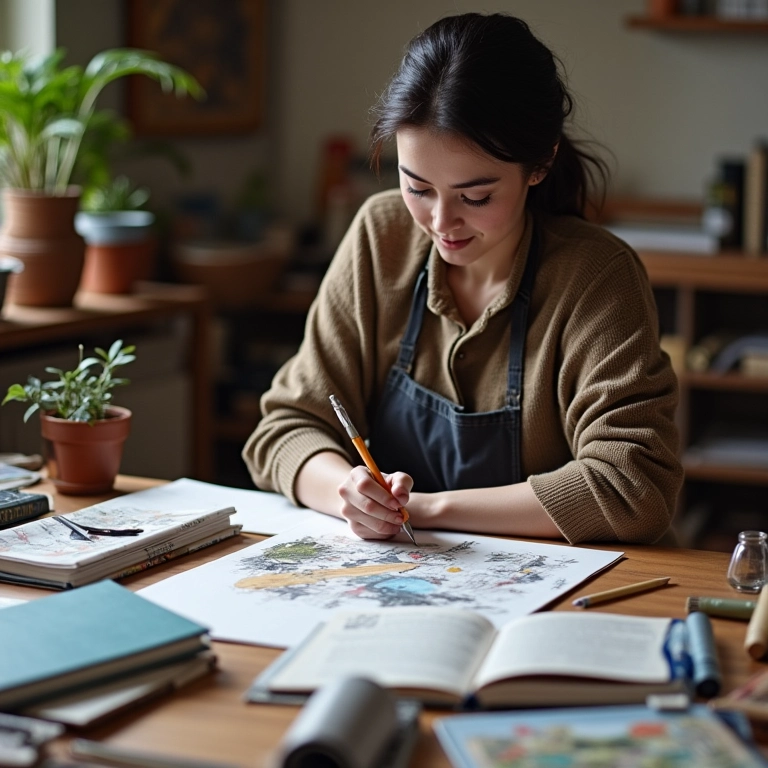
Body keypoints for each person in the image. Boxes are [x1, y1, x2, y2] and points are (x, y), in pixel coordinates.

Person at [243, 12, 683, 545]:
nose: (440, 222)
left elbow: (633, 485)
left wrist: (426, 510)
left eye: (476, 197)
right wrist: (350, 493)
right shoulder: (380, 237)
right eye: (418, 188)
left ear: (540, 163)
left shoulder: (595, 276)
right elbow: (285, 427)